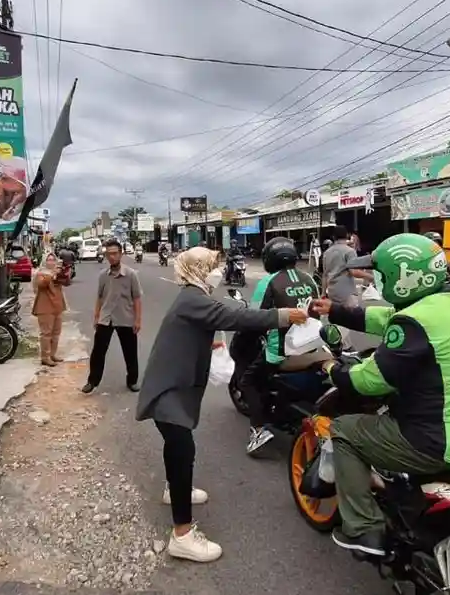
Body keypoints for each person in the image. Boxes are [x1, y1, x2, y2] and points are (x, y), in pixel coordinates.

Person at [309, 233, 450, 556]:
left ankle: (363, 529)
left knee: (344, 430)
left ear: (402, 278)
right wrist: (336, 310)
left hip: (437, 442)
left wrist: (331, 368)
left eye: (379, 274)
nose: (374, 279)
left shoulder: (414, 322)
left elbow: (369, 383)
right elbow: (389, 319)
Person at [135, 247, 308, 562]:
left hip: (171, 384)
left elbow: (213, 316)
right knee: (182, 448)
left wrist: (209, 342)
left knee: (177, 447)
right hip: (168, 390)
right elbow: (235, 316)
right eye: (212, 266)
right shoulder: (193, 299)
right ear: (198, 270)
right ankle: (182, 535)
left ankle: (175, 490)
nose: (218, 270)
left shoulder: (193, 295)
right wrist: (286, 315)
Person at [239, 237, 326, 455]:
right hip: (312, 347)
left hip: (281, 353)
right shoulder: (309, 279)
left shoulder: (269, 281)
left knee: (247, 381)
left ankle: (258, 430)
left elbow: (255, 316)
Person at [84, 239, 144, 393]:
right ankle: (92, 381)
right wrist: (96, 316)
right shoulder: (103, 275)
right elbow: (99, 297)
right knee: (98, 351)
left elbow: (137, 298)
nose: (111, 257)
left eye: (114, 253)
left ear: (121, 254)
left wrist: (137, 320)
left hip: (126, 318)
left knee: (130, 351)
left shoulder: (131, 275)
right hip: (106, 318)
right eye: (108, 254)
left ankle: (132, 381)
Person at [321, 225, 373, 349]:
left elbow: (324, 274)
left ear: (333, 237)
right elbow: (354, 272)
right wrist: (372, 277)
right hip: (346, 291)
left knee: (336, 317)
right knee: (350, 318)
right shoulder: (349, 251)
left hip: (332, 290)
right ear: (347, 236)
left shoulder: (327, 252)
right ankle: (342, 345)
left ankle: (340, 343)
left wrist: (323, 292)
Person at [33, 253, 71, 366]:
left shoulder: (58, 273)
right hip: (45, 307)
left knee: (56, 332)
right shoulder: (40, 273)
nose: (51, 262)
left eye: (53, 260)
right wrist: (52, 274)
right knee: (46, 333)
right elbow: (41, 284)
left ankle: (52, 354)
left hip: (57, 306)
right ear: (45, 261)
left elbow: (67, 282)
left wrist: (64, 273)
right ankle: (45, 356)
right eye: (49, 260)